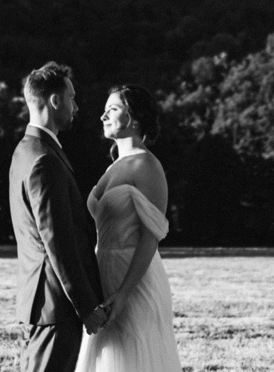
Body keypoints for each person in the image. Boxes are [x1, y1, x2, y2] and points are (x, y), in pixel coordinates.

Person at [74, 84, 182, 372]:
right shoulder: (113, 166)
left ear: (133, 118)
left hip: (135, 281)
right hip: (103, 271)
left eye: (113, 109)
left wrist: (123, 294)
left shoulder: (147, 165)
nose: (103, 116)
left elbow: (150, 238)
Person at [10, 62, 108, 372]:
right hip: (55, 307)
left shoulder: (25, 150)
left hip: (39, 303)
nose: (76, 106)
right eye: (72, 98)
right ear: (55, 101)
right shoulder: (44, 161)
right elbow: (58, 242)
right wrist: (86, 306)